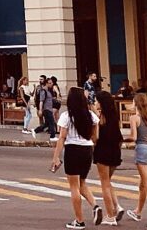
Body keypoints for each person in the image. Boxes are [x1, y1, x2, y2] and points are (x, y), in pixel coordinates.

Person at [51, 86, 101, 229]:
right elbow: (95, 137)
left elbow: (62, 138)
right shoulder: (91, 115)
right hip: (87, 150)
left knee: (74, 187)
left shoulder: (67, 116)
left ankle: (79, 220)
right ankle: (96, 206)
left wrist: (55, 157)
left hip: (72, 150)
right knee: (82, 182)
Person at [93, 90, 125, 226]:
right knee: (108, 181)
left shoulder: (100, 118)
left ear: (101, 103)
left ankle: (110, 216)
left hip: (102, 152)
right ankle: (117, 206)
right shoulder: (114, 116)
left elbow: (96, 137)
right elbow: (119, 138)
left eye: (96, 101)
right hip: (115, 153)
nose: (94, 103)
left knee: (104, 184)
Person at [126, 92, 147, 225]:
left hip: (142, 150)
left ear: (136, 104)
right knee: (143, 184)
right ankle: (138, 211)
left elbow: (133, 137)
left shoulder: (134, 118)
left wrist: (122, 139)